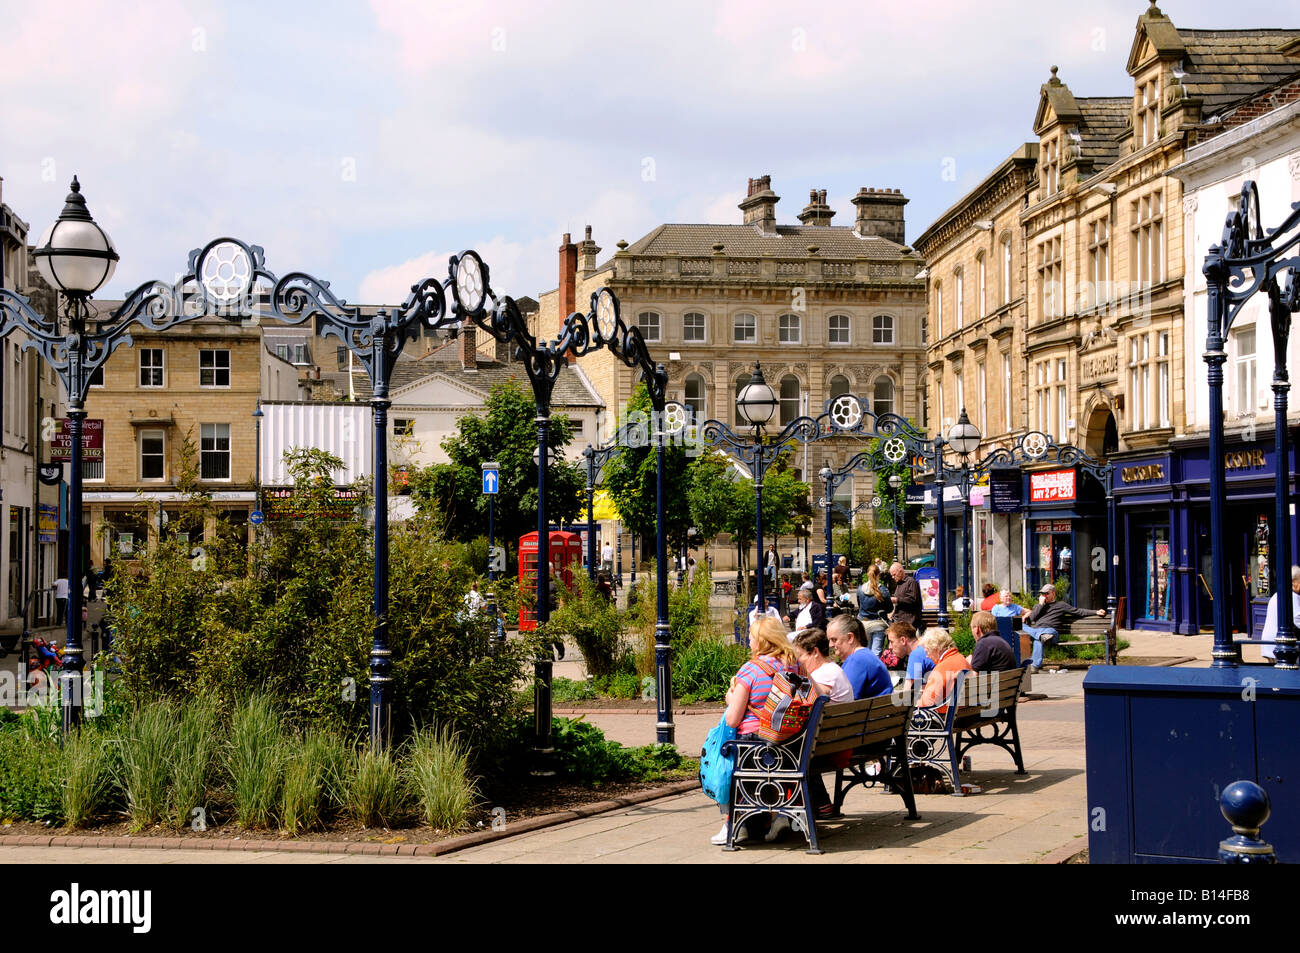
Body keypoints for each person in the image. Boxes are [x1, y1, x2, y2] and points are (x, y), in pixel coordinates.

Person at [713, 616, 801, 846]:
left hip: (756, 746)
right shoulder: (794, 665)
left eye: (751, 638)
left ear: (762, 642)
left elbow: (733, 719)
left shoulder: (750, 670)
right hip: (791, 745)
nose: (749, 642)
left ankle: (735, 822)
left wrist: (730, 697)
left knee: (722, 759)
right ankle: (775, 817)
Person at [792, 627, 853, 817]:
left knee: (789, 749)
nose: (798, 661)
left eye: (801, 655)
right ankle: (819, 803)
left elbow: (811, 702)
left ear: (815, 652)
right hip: (840, 741)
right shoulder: (834, 669)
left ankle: (810, 804)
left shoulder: (823, 675)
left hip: (831, 748)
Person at [1022, 584, 1107, 673]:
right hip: (1039, 632)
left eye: (1046, 593)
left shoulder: (1061, 605)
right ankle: (1040, 637)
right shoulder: (1038, 606)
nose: (1044, 596)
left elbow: (1078, 612)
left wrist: (1096, 612)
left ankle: (1035, 666)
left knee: (1038, 639)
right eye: (1042, 594)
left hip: (1050, 633)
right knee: (1024, 627)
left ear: (1053, 594)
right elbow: (1032, 618)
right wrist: (1040, 605)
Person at [826, 615, 894, 700]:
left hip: (869, 712)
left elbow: (845, 700)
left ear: (850, 638)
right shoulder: (864, 655)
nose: (830, 645)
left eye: (834, 640)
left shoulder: (857, 660)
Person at [917, 628, 974, 711]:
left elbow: (927, 703)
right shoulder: (961, 659)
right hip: (964, 713)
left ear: (936, 648)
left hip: (945, 718)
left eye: (927, 651)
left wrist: (915, 705)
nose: (927, 656)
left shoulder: (942, 667)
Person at [1260, 565, 1300, 662]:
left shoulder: (1278, 594)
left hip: (1270, 644)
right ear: (1294, 582)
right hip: (1279, 646)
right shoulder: (1291, 596)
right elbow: (1297, 619)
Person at [887, 620, 933, 694]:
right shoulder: (925, 647)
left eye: (892, 642)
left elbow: (906, 694)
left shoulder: (916, 655)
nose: (890, 647)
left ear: (903, 640)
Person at [857, 564, 891, 654]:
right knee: (876, 652)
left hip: (864, 623)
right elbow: (890, 608)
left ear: (868, 574)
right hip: (878, 623)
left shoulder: (860, 589)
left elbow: (860, 605)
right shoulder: (883, 590)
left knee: (866, 652)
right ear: (879, 575)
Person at [888, 562, 922, 628]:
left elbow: (913, 599)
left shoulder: (911, 582)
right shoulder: (899, 583)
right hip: (899, 619)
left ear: (901, 571)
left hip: (908, 621)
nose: (892, 577)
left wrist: (896, 600)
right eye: (891, 575)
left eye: (894, 574)